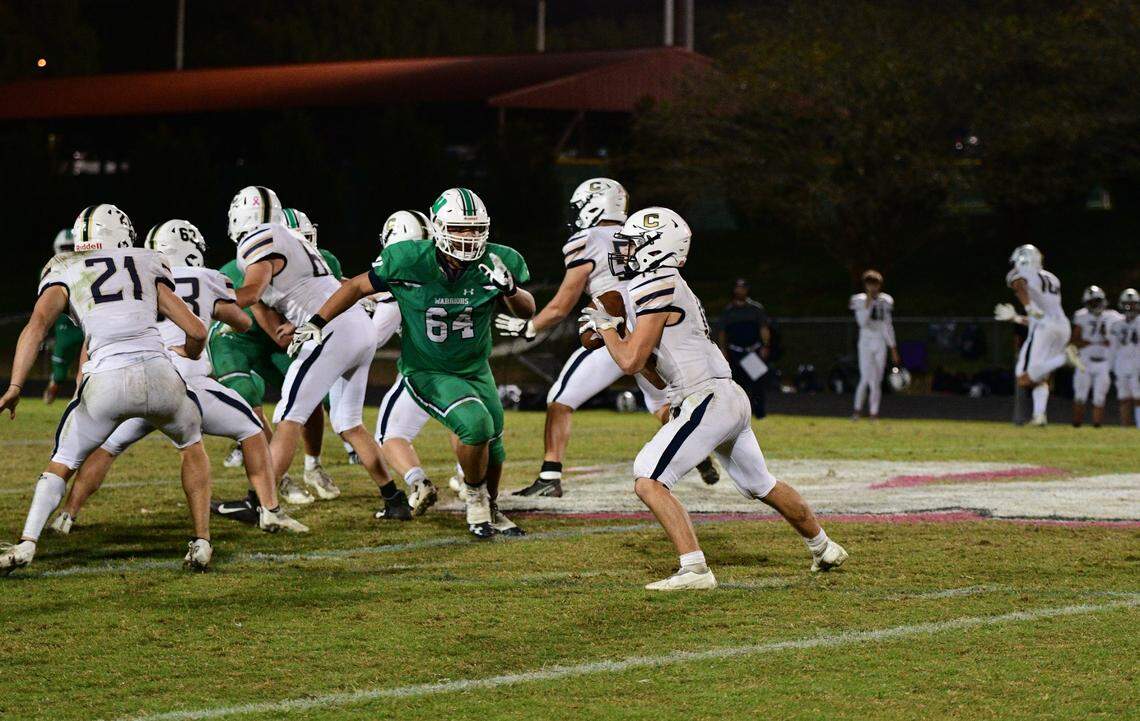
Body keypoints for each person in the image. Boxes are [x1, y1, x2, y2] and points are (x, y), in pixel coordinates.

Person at [582, 207, 847, 590]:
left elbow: (629, 360)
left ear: (655, 248)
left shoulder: (655, 281)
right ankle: (824, 546)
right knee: (762, 484)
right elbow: (650, 368)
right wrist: (615, 329)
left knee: (648, 478)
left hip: (705, 396)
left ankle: (694, 570)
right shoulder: (665, 283)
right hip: (726, 396)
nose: (623, 252)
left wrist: (607, 328)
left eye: (632, 244)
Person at [291, 188, 536, 539]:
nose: (469, 237)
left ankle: (489, 506)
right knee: (475, 424)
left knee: (494, 442)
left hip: (475, 367)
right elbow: (357, 286)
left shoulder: (498, 261)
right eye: (459, 228)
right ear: (438, 227)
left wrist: (511, 290)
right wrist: (317, 321)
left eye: (475, 228)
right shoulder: (407, 259)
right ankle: (475, 499)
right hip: (429, 368)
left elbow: (528, 310)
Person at [48, 220, 307, 535]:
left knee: (108, 446)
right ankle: (270, 511)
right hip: (187, 384)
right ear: (193, 249)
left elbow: (92, 340)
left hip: (140, 377)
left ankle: (67, 516)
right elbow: (243, 323)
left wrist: (81, 381)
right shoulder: (207, 278)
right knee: (251, 431)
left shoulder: (138, 277)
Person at [0, 205, 215, 573]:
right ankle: (201, 541)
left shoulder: (65, 266)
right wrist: (190, 352)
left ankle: (27, 543)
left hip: (106, 379)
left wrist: (17, 383)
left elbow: (36, 327)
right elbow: (196, 330)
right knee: (191, 444)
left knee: (64, 460)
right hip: (161, 374)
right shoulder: (149, 262)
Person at [496, 178, 717, 497]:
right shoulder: (638, 232)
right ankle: (697, 451)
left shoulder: (586, 239)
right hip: (651, 329)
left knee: (560, 399)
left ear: (593, 204)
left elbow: (562, 303)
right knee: (660, 404)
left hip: (610, 329)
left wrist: (531, 327)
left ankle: (550, 475)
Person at [227, 186, 412, 521]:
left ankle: (260, 503)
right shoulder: (292, 238)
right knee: (350, 423)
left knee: (287, 417)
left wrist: (217, 299)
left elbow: (253, 289)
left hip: (330, 330)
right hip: (356, 324)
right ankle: (394, 498)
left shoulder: (259, 239)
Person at [208, 206, 344, 521]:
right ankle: (276, 481)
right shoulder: (245, 263)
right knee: (249, 400)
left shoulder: (322, 262)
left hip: (279, 337)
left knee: (308, 399)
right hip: (239, 339)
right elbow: (274, 328)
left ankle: (314, 466)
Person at [1001, 244, 1082, 427]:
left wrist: (1028, 307)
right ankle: (1039, 416)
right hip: (1062, 326)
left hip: (1044, 330)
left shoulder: (1024, 274)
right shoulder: (1052, 278)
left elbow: (1019, 285)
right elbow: (1040, 317)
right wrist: (1016, 318)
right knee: (1041, 377)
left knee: (1023, 377)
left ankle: (1063, 359)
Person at [849, 270, 900, 419]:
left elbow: (887, 325)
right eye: (870, 284)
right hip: (865, 341)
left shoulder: (885, 300)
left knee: (877, 379)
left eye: (875, 284)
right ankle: (857, 410)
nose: (873, 288)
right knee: (865, 377)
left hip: (880, 341)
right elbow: (862, 322)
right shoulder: (859, 300)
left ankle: (874, 412)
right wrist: (868, 303)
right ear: (865, 285)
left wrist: (893, 348)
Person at [42, 229, 85, 404]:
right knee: (60, 368)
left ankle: (80, 394)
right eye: (65, 247)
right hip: (65, 323)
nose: (68, 251)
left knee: (94, 362)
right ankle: (54, 383)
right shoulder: (51, 268)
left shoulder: (88, 265)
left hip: (87, 321)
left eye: (70, 246)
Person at [717, 278, 771, 419]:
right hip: (735, 352)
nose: (740, 290)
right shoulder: (728, 311)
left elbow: (764, 328)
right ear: (734, 290)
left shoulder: (755, 309)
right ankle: (737, 414)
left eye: (743, 288)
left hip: (751, 352)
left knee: (758, 383)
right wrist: (723, 349)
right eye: (738, 288)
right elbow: (722, 332)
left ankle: (759, 412)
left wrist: (765, 345)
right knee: (736, 385)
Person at [1070, 286, 1119, 428]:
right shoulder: (1081, 316)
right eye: (1092, 302)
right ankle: (1077, 425)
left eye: (1097, 301)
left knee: (1099, 397)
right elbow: (1074, 341)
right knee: (1080, 395)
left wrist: (1109, 337)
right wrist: (1087, 342)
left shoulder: (1113, 316)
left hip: (1103, 362)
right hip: (1084, 361)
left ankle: (1097, 426)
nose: (1095, 305)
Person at [1109, 288, 1140, 428]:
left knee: (1138, 398)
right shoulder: (1116, 324)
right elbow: (1112, 347)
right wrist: (1111, 365)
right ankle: (1125, 427)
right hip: (1121, 364)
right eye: (1127, 304)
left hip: (1138, 364)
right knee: (1123, 398)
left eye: (1132, 304)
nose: (1130, 307)